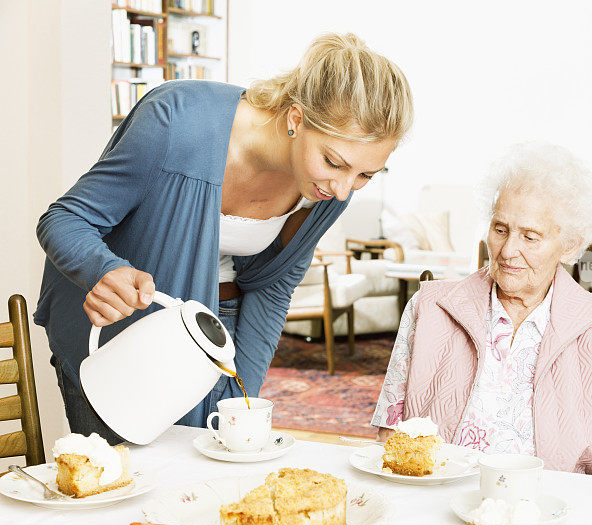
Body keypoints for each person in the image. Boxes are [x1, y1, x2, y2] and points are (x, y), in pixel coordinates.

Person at [35, 33, 413, 443]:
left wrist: (242, 391)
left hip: (217, 329)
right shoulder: (176, 121)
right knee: (119, 482)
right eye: (334, 162)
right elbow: (64, 218)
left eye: (365, 175)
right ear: (297, 118)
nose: (343, 190)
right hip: (118, 329)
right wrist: (102, 270)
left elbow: (274, 285)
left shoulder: (327, 191)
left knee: (202, 486)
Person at [372, 142, 592, 478]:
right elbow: (390, 434)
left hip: (550, 512)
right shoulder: (429, 308)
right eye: (500, 230)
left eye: (530, 237)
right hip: (437, 496)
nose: (508, 250)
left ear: (571, 246)